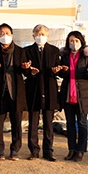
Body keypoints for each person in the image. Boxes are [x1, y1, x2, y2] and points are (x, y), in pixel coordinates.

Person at [0, 23, 30, 161]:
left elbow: (25, 71)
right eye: (1, 33)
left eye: (7, 33)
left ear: (12, 35)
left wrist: (26, 68)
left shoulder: (21, 51)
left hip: (16, 91)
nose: (5, 36)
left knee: (17, 122)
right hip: (0, 90)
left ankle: (15, 150)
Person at [24, 24, 61, 162]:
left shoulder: (54, 50)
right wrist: (29, 71)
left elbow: (59, 68)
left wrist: (57, 70)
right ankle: (34, 150)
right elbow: (24, 70)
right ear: (33, 36)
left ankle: (48, 151)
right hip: (33, 89)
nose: (40, 36)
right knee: (33, 122)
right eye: (38, 34)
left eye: (43, 34)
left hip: (49, 89)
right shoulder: (27, 51)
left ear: (47, 36)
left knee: (48, 123)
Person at [58, 31, 88, 162]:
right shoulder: (64, 55)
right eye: (71, 41)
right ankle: (71, 149)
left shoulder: (87, 55)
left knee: (82, 123)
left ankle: (81, 150)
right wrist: (64, 71)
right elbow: (62, 75)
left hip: (82, 93)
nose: (74, 44)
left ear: (81, 41)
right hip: (68, 93)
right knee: (70, 124)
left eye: (76, 41)